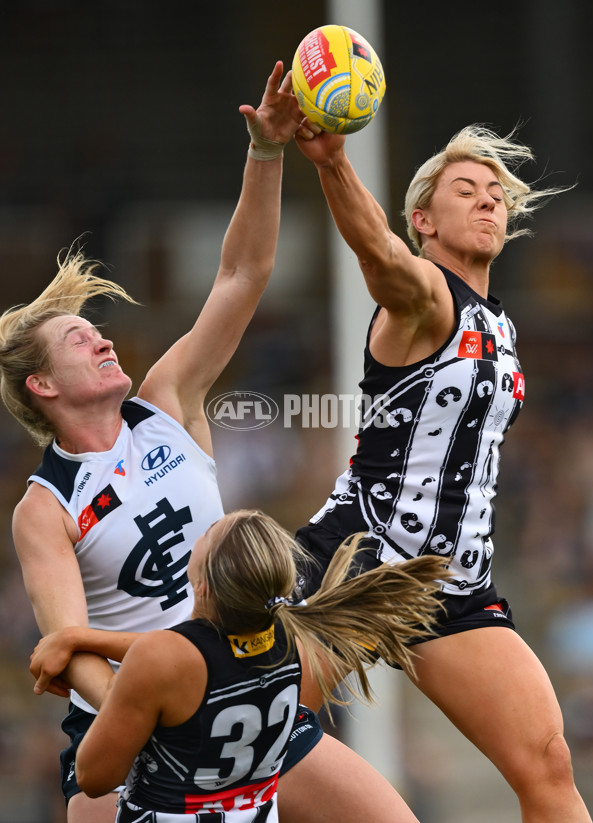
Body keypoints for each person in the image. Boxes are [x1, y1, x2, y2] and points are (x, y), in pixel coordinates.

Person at [2, 62, 440, 823]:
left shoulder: (167, 400)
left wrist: (265, 153)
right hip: (140, 722)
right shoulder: (44, 508)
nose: (102, 338)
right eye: (79, 338)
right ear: (42, 386)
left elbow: (243, 273)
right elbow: (69, 653)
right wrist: (152, 717)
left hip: (249, 685)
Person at [289, 123, 593, 823]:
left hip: (451, 586)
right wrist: (333, 163)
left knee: (547, 763)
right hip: (357, 561)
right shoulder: (426, 294)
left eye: (496, 194)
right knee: (243, 733)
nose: (489, 202)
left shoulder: (501, 325)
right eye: (466, 191)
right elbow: (377, 253)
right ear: (423, 219)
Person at [29, 508, 448, 822]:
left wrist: (111, 691)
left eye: (208, 533)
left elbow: (94, 777)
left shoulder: (160, 662)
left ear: (203, 582)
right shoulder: (289, 635)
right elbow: (187, 654)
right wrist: (77, 637)